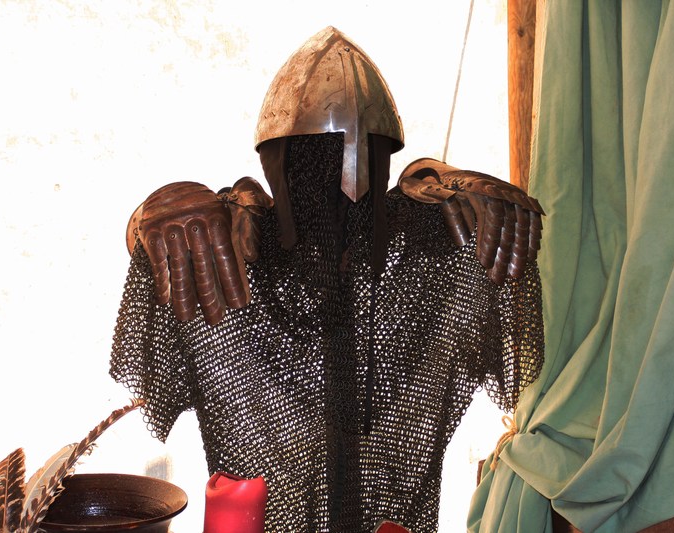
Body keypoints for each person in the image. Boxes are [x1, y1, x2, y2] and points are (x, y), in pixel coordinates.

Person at [111, 26, 545, 532]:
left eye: (366, 158)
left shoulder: (433, 244)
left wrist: (442, 176)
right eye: (315, 164)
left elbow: (520, 342)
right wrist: (148, 219)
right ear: (279, 165)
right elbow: (148, 277)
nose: (342, 188)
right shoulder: (227, 251)